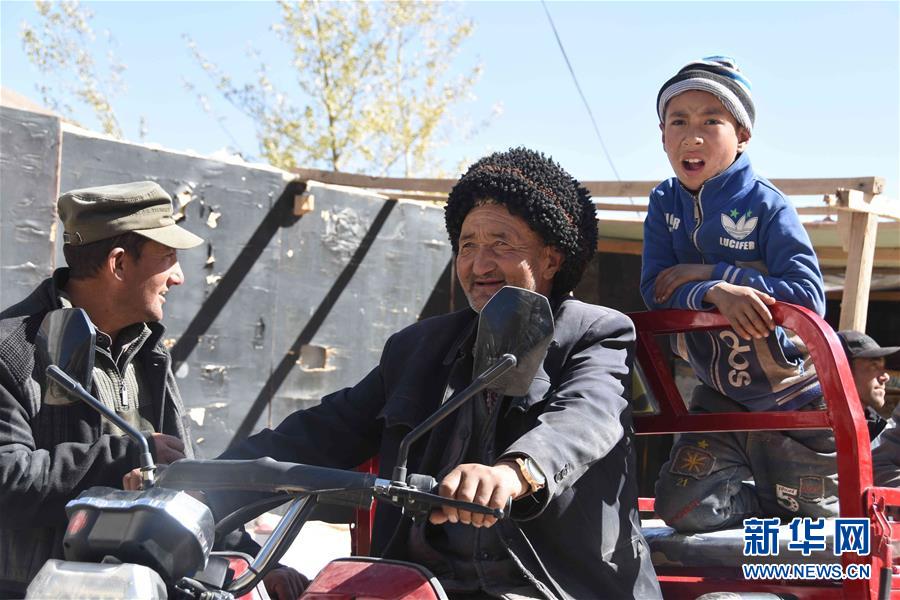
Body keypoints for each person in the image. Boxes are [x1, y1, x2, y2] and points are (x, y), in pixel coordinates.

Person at [217, 148, 661, 599]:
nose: (479, 264)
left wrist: (514, 472)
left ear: (550, 259)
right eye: (468, 246)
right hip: (423, 584)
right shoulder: (416, 349)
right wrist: (207, 485)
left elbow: (585, 418)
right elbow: (317, 433)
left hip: (549, 588)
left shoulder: (596, 332)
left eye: (501, 244)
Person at [641, 57, 836, 532]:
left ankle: (779, 502)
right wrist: (713, 292)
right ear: (662, 136)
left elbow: (808, 297)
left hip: (793, 399)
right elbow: (656, 289)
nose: (692, 136)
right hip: (719, 397)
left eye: (711, 121)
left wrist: (720, 273)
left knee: (817, 533)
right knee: (681, 509)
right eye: (678, 121)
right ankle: (763, 503)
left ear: (743, 135)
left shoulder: (767, 205)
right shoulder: (663, 203)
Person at [0, 181, 202, 595]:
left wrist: (246, 551)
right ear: (119, 264)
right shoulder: (12, 351)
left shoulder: (148, 352)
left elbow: (185, 475)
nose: (178, 277)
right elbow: (6, 479)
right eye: (167, 258)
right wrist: (124, 456)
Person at [836, 330, 899, 484]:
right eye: (874, 365)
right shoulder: (815, 429)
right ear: (842, 370)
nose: (885, 376)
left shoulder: (876, 429)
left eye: (883, 366)